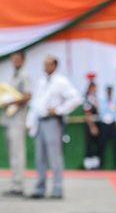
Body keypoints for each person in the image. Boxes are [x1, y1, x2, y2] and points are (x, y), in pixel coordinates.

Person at [26, 55, 81, 199]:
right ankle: (40, 187)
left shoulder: (61, 81)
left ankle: (57, 188)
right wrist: (30, 122)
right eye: (44, 64)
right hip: (40, 121)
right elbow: (35, 103)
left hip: (52, 121)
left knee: (55, 156)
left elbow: (76, 98)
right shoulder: (41, 81)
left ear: (55, 66)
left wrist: (59, 110)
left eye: (48, 64)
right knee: (40, 157)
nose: (45, 67)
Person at [0, 50, 32, 194]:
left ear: (23, 60)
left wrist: (10, 101)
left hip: (18, 119)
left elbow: (27, 96)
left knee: (18, 152)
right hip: (8, 118)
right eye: (13, 59)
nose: (15, 62)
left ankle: (18, 185)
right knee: (11, 153)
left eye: (18, 59)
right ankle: (14, 183)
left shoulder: (25, 76)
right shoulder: (12, 75)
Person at [82, 77, 102, 170]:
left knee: (97, 145)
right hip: (91, 124)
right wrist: (92, 126)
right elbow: (88, 113)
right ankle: (89, 164)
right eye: (94, 87)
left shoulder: (95, 98)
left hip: (97, 122)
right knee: (89, 145)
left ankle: (95, 164)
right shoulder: (87, 98)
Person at [98, 84, 116, 169]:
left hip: (113, 124)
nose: (109, 92)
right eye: (108, 91)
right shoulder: (102, 101)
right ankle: (101, 164)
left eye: (111, 91)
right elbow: (101, 112)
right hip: (104, 124)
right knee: (102, 144)